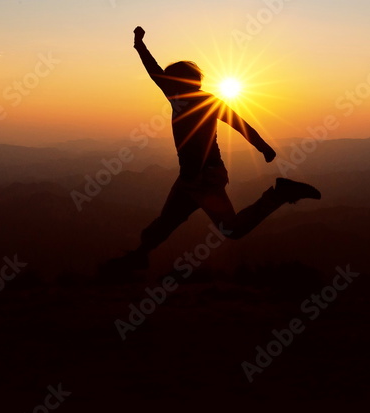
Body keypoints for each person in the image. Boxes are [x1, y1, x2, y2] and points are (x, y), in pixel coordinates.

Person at [102, 26, 321, 275]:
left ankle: (279, 194)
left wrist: (263, 147)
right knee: (162, 226)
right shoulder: (179, 97)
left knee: (231, 229)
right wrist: (139, 44)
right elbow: (156, 72)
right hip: (189, 179)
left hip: (206, 179)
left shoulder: (198, 100)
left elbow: (238, 123)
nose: (167, 82)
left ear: (180, 82)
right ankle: (137, 259)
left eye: (172, 79)